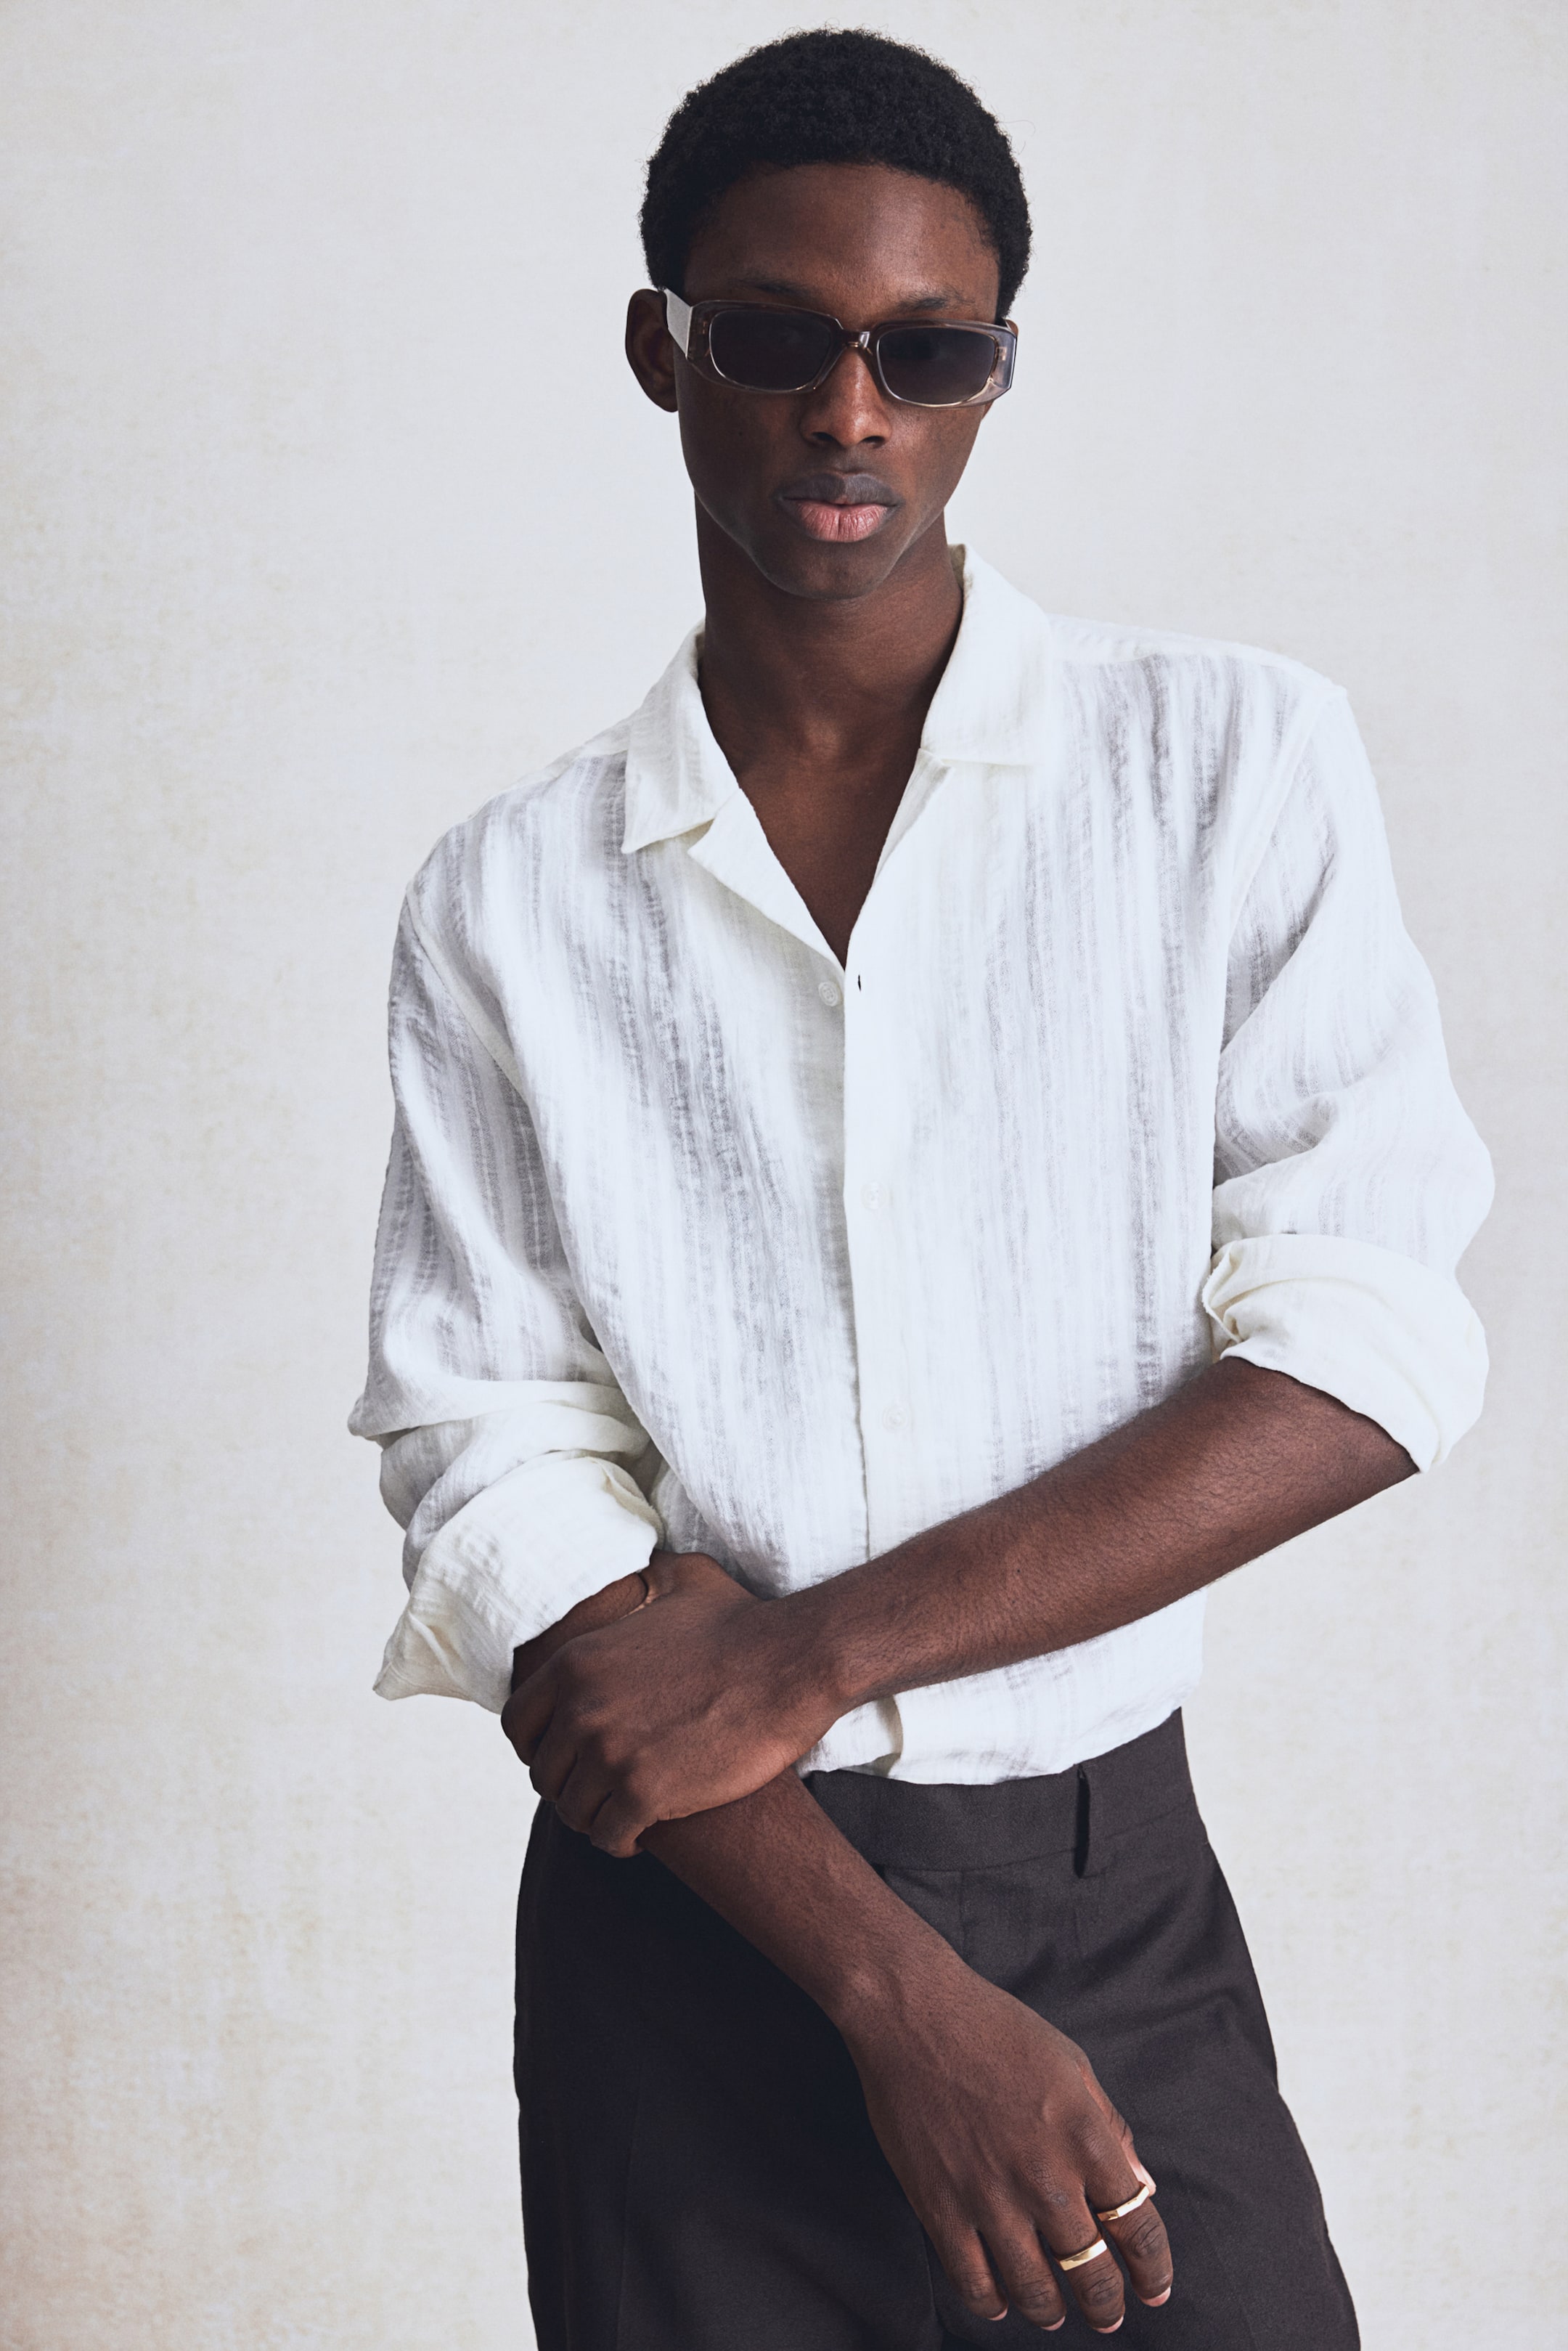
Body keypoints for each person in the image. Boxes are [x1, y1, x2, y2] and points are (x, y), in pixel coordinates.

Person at [351, 29, 1491, 2350]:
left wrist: (807, 1651)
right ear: (665, 350)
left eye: (925, 351)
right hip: (696, 1937)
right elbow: (494, 1478)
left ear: (994, 374)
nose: (849, 412)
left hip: (1106, 1889)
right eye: (777, 339)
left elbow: (1371, 1344)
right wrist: (889, 1990)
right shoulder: (509, 900)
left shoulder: (1227, 766)